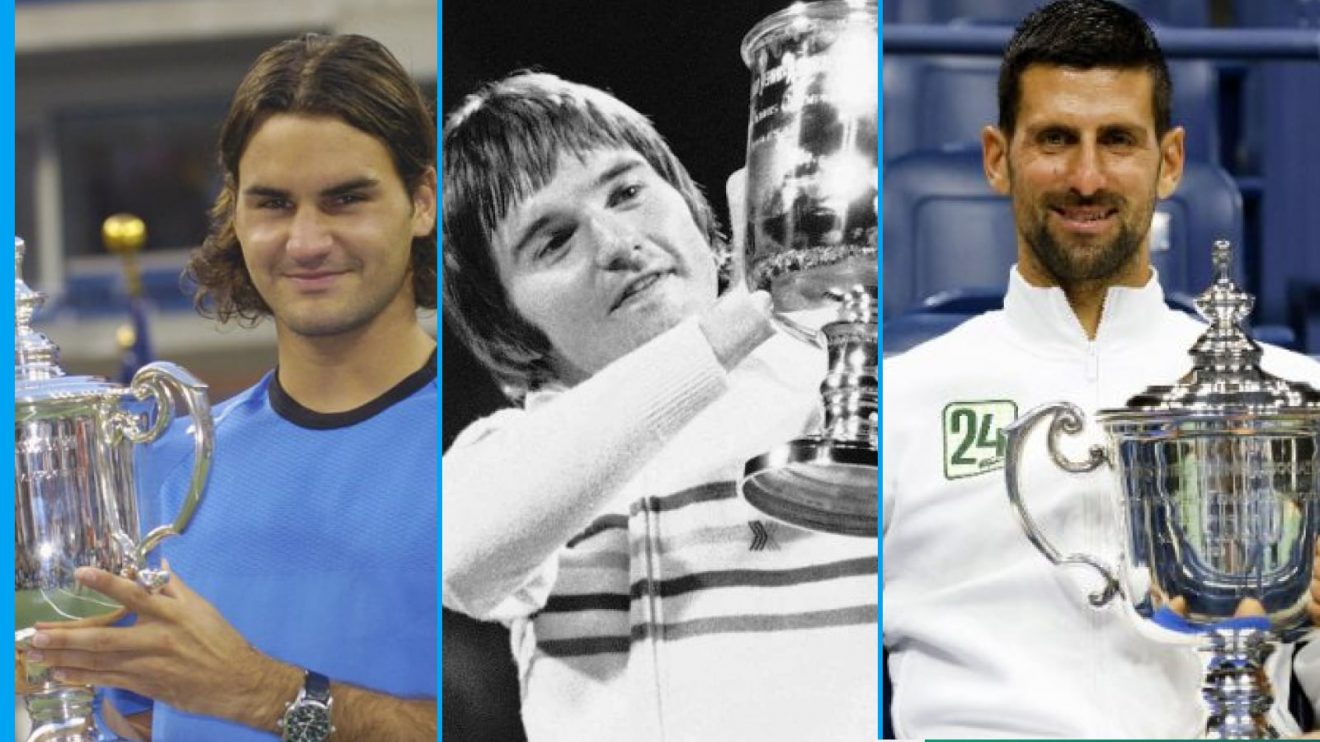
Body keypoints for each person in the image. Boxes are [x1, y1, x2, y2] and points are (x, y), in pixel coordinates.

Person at [882, 0, 1320, 738]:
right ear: (997, 157)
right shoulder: (899, 402)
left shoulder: (1298, 399)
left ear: (1170, 160)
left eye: (1117, 140)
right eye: (1056, 139)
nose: (1086, 177)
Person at [441, 72, 878, 741]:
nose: (617, 243)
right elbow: (460, 556)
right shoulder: (517, 455)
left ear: (698, 208)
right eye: (554, 240)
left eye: (627, 192)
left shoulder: (853, 381)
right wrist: (739, 316)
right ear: (508, 323)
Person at [26, 33, 438, 742]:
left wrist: (264, 693)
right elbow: (125, 718)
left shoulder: (499, 440)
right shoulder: (167, 462)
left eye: (346, 199)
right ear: (237, 215)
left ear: (423, 202)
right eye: (273, 203)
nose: (305, 241)